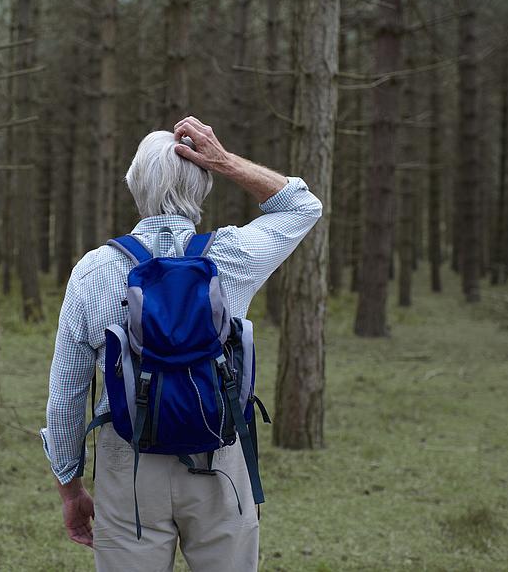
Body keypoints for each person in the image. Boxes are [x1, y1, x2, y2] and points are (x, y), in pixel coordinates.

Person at [40, 115, 322, 571]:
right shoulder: (232, 255)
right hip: (218, 453)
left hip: (128, 460)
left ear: (135, 186)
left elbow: (67, 394)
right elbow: (302, 205)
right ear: (203, 184)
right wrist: (226, 161)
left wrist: (70, 489)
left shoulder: (92, 271)